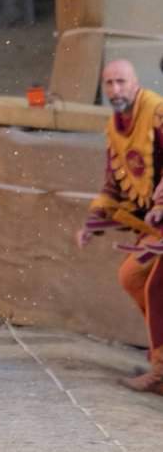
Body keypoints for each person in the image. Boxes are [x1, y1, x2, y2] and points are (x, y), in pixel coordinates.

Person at [76, 59, 163, 396]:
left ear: (136, 82)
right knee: (132, 277)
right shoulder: (115, 126)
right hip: (154, 226)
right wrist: (92, 222)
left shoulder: (156, 111)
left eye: (121, 82)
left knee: (157, 286)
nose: (115, 90)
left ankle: (160, 370)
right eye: (109, 83)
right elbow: (114, 181)